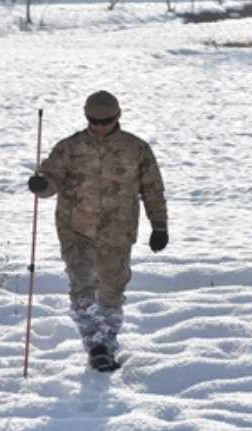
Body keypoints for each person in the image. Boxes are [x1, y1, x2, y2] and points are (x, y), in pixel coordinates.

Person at [27, 90, 169, 372]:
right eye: (94, 121)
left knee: (111, 293)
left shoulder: (136, 148)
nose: (100, 126)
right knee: (82, 288)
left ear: (118, 117)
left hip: (118, 233)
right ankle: (96, 346)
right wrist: (42, 186)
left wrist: (160, 226)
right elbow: (52, 176)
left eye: (106, 121)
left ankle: (107, 341)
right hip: (75, 230)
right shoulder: (70, 147)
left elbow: (153, 190)